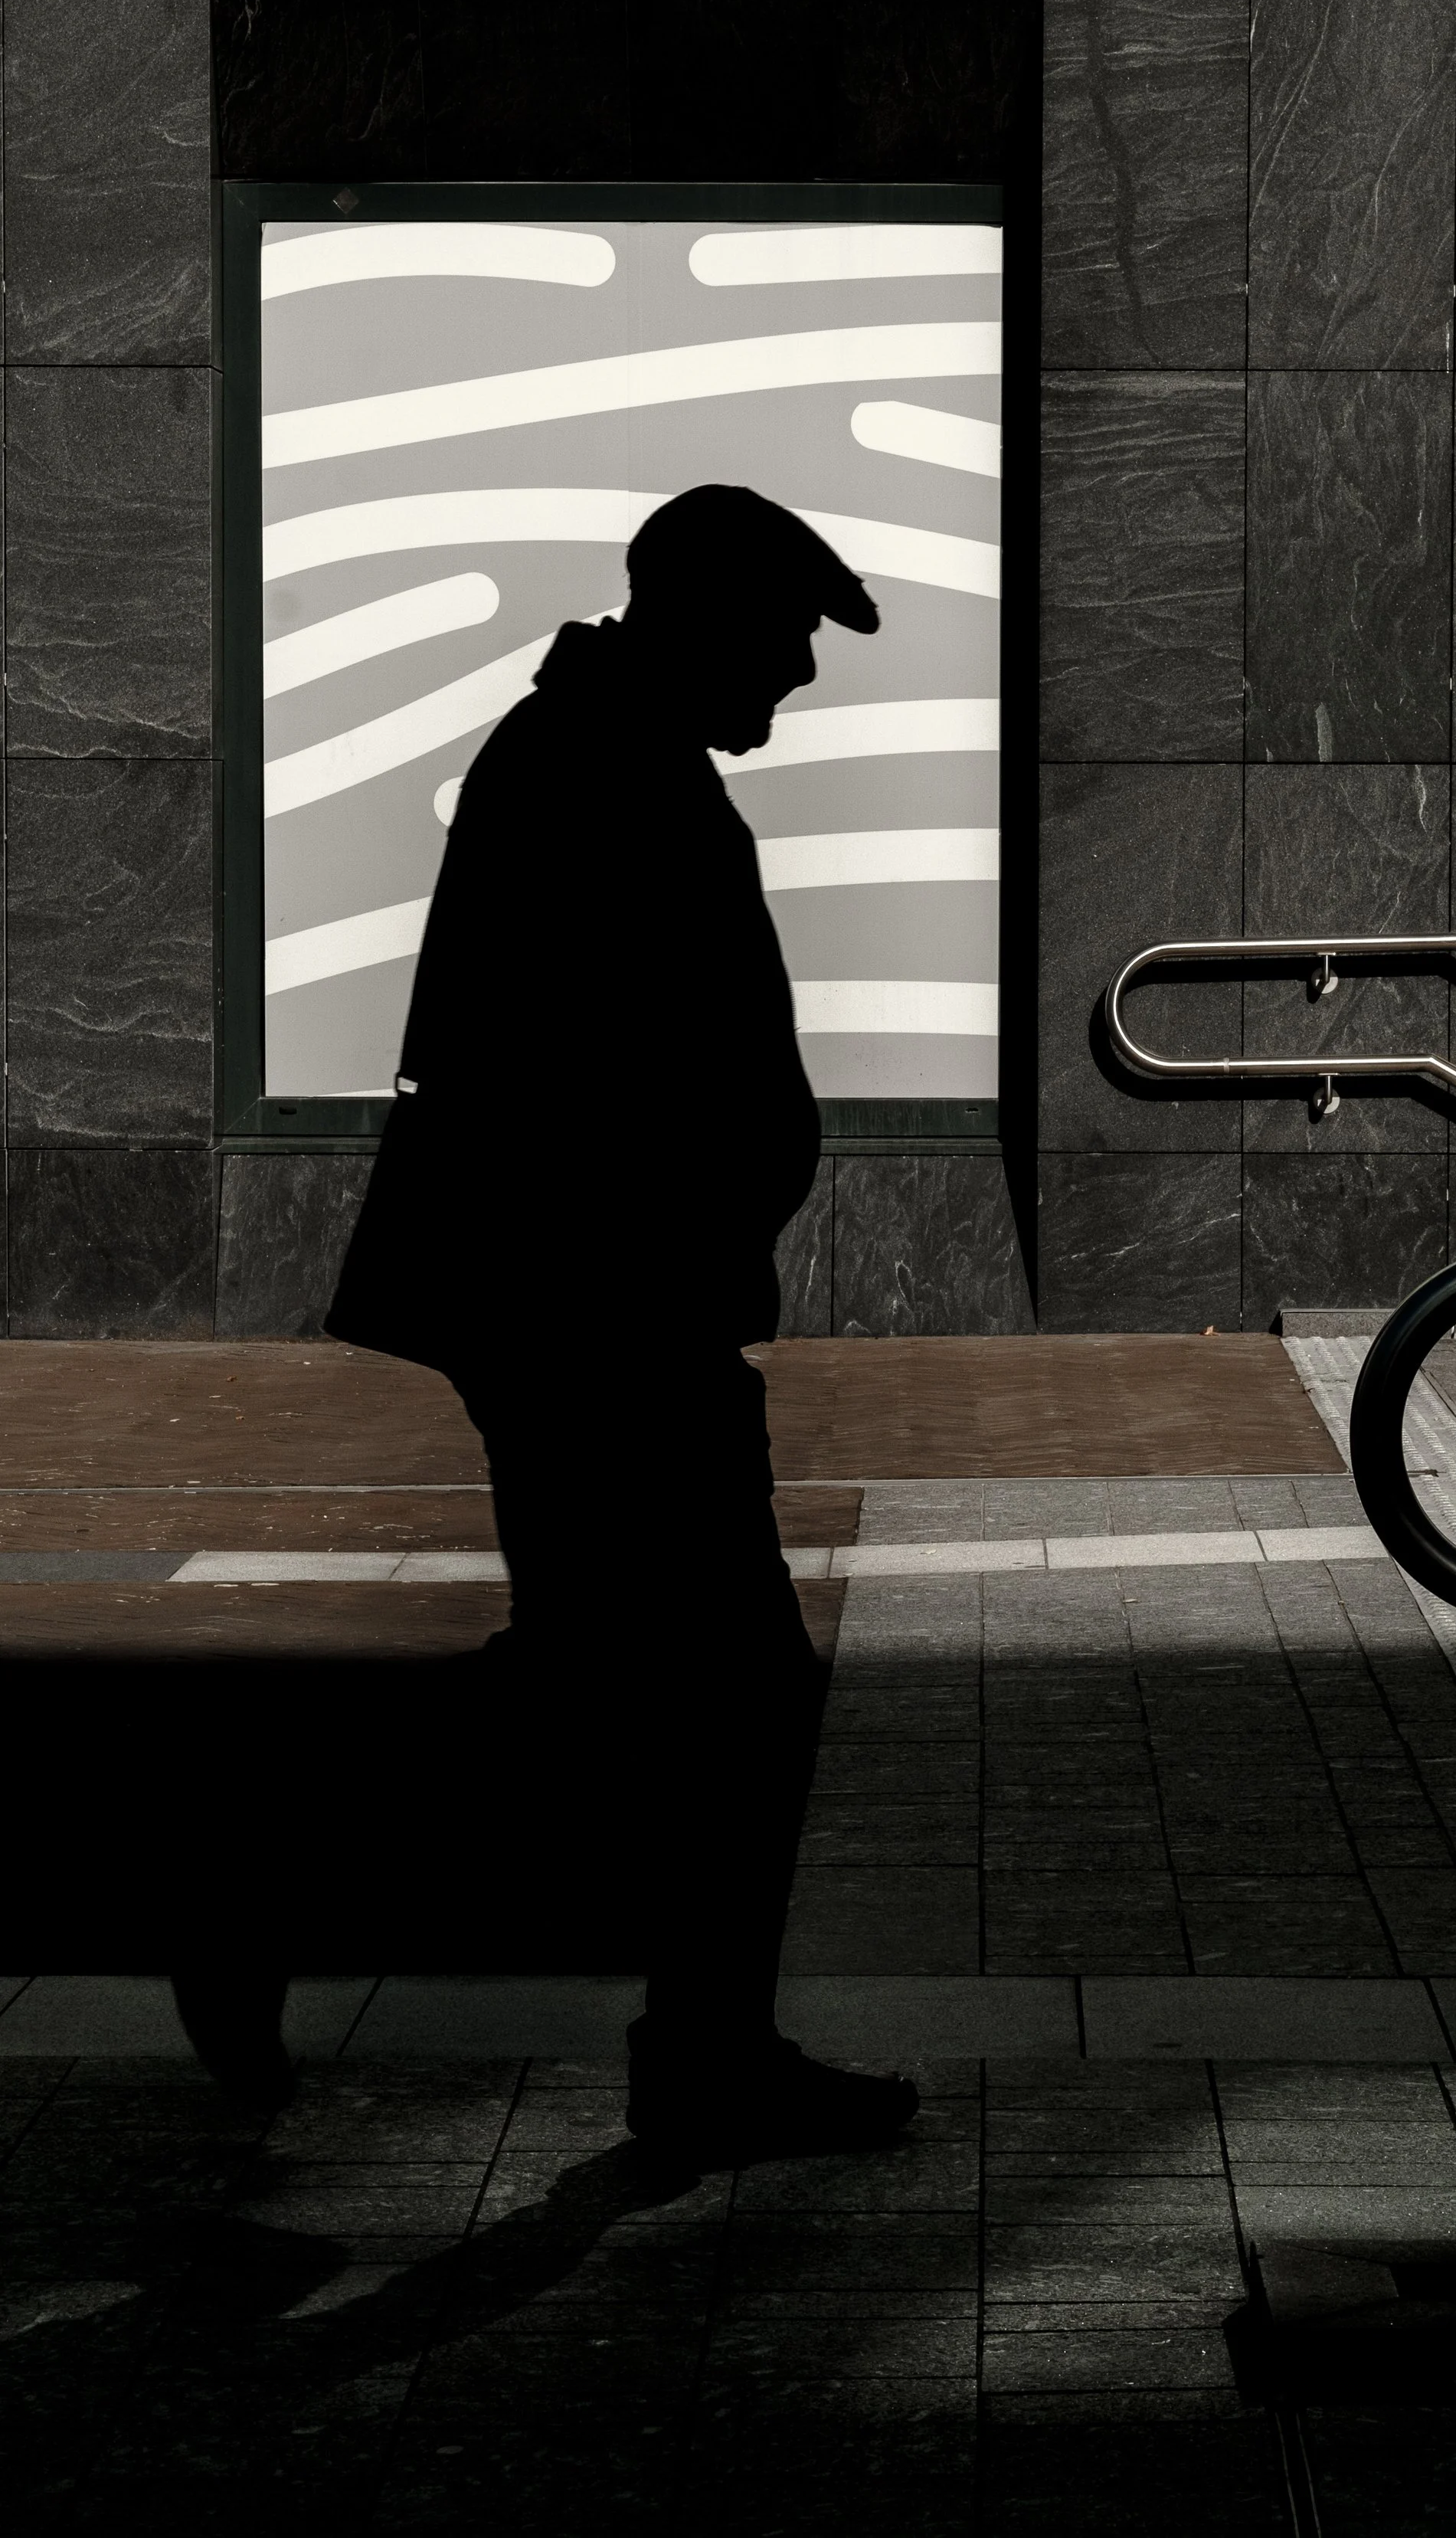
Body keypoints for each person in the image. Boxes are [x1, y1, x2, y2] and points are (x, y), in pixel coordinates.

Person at [322, 486, 919, 2170]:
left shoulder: (600, 754)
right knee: (728, 1696)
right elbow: (583, 1081)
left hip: (604, 1317)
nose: (802, 671)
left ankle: (279, 1874)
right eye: (791, 633)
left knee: (610, 1690)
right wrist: (683, 1246)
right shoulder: (600, 771)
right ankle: (696, 2050)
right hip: (607, 1329)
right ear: (712, 616)